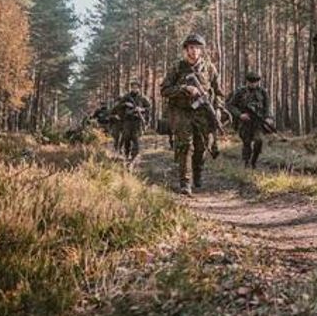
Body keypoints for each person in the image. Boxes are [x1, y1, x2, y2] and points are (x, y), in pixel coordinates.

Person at [160, 33, 226, 196]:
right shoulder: (177, 68)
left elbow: (219, 93)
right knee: (185, 146)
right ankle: (185, 182)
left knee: (201, 147)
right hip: (182, 112)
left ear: (201, 50)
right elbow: (164, 90)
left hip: (203, 113)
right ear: (185, 50)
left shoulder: (209, 68)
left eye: (197, 48)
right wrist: (184, 89)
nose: (194, 51)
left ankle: (198, 173)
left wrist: (217, 109)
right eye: (191, 48)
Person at [226, 70, 271, 169]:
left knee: (259, 141)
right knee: (246, 143)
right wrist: (240, 115)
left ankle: (253, 161)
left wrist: (268, 118)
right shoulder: (240, 92)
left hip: (258, 122)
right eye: (251, 82)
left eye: (255, 82)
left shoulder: (263, 92)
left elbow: (267, 107)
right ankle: (246, 163)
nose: (253, 84)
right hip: (244, 122)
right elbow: (230, 105)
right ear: (247, 81)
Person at [112, 79, 151, 161]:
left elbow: (148, 108)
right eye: (133, 87)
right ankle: (126, 153)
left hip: (137, 121)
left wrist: (141, 109)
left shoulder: (142, 98)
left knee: (136, 138)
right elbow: (118, 106)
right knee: (126, 137)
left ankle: (134, 155)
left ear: (139, 88)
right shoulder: (126, 97)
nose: (134, 89)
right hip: (127, 121)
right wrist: (125, 104)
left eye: (136, 87)